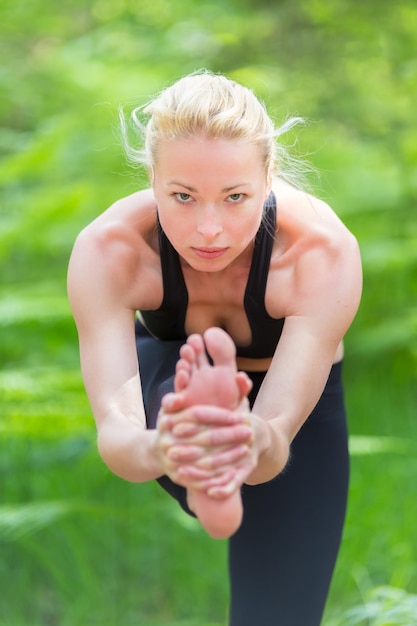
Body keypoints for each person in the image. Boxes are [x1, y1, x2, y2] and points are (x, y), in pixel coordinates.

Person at [67, 70, 362, 626]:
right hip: (171, 389)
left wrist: (251, 436)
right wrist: (163, 450)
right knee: (189, 394)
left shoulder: (320, 255)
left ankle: (216, 451)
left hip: (295, 412)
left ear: (269, 176)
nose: (208, 229)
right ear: (152, 178)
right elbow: (117, 429)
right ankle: (204, 442)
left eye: (234, 197)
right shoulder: (111, 251)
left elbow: (273, 445)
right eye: (182, 196)